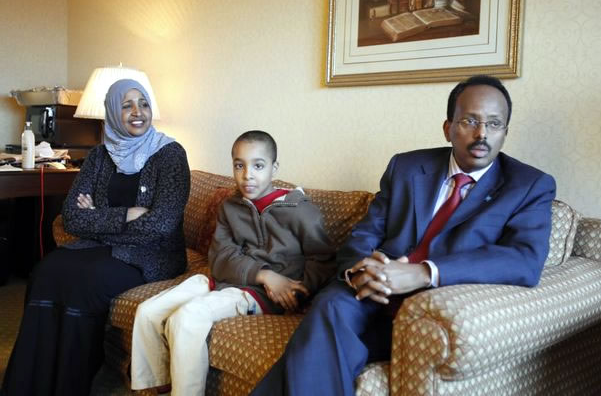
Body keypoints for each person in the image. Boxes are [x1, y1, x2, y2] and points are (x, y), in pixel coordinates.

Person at [250, 75, 557, 396]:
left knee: (316, 341)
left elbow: (525, 260)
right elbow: (366, 233)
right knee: (330, 306)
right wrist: (359, 271)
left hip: (430, 308)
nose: (482, 134)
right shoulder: (407, 167)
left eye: (494, 124)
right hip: (372, 293)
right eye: (470, 121)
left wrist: (424, 272)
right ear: (448, 128)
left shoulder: (529, 185)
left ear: (505, 131)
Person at [1, 79, 190, 396]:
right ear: (113, 112)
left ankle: (68, 386)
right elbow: (72, 217)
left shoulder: (170, 155)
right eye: (127, 105)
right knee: (46, 270)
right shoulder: (100, 155)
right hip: (103, 247)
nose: (137, 112)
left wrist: (98, 216)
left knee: (83, 284)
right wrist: (127, 214)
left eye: (143, 103)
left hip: (152, 255)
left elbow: (162, 224)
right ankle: (30, 384)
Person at [130, 130, 336, 396]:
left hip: (256, 293)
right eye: (239, 165)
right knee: (147, 312)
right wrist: (264, 274)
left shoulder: (301, 210)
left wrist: (297, 292)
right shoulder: (230, 206)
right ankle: (157, 383)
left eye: (258, 166)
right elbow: (220, 258)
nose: (247, 175)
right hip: (223, 278)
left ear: (274, 168)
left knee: (186, 319)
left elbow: (324, 260)